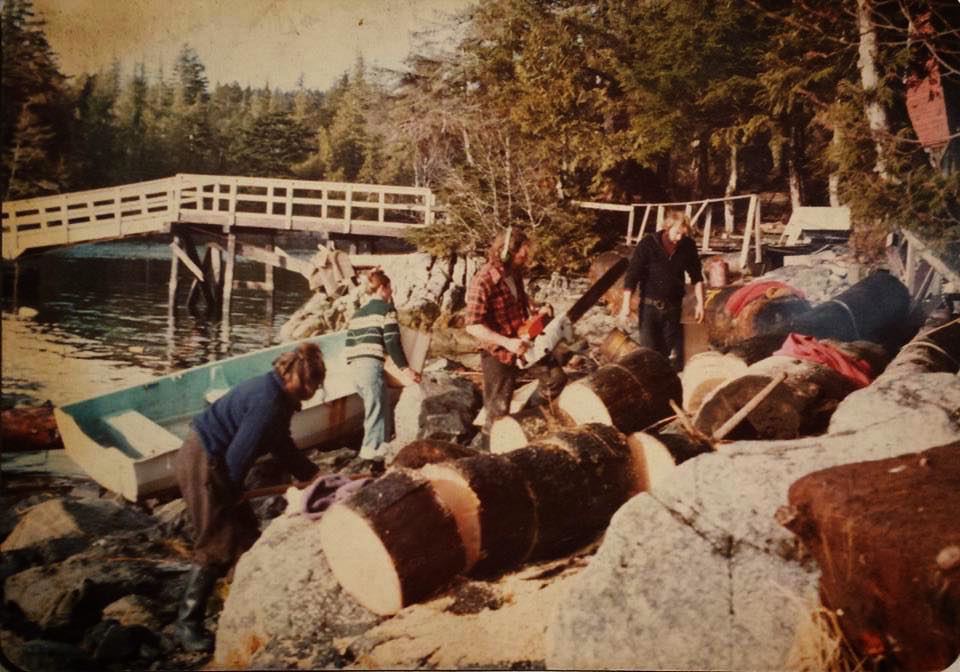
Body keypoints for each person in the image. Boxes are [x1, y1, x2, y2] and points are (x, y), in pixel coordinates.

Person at [173, 342, 326, 653]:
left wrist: (311, 473)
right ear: (300, 380)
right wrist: (229, 499)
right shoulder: (268, 402)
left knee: (247, 538)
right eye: (314, 385)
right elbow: (236, 460)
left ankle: (241, 603)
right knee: (216, 539)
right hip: (205, 462)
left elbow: (280, 443)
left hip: (215, 462)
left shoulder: (277, 396)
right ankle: (186, 625)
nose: (314, 393)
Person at [465, 226, 567, 448]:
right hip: (498, 352)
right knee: (498, 410)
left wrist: (537, 308)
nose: (526, 258)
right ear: (508, 250)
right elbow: (472, 325)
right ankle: (486, 455)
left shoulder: (515, 272)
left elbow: (520, 300)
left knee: (555, 379)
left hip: (526, 342)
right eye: (523, 252)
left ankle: (524, 421)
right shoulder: (483, 280)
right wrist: (507, 343)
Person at [346, 269, 421, 472]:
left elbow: (349, 344)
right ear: (382, 288)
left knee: (378, 410)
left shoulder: (357, 314)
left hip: (354, 368)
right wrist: (405, 369)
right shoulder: (385, 311)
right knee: (377, 414)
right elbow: (392, 342)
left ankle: (377, 455)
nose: (391, 293)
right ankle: (374, 463)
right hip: (371, 366)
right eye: (389, 289)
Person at [617, 210, 705, 369]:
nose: (679, 238)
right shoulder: (648, 244)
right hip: (649, 308)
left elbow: (697, 276)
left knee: (664, 356)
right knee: (648, 354)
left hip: (673, 308)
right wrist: (625, 307)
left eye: (683, 235)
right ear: (667, 227)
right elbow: (632, 277)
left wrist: (700, 304)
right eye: (677, 233)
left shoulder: (687, 246)